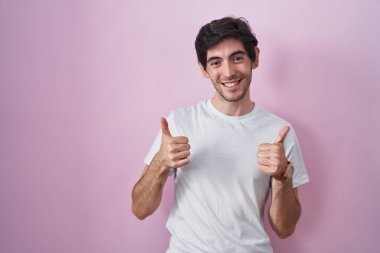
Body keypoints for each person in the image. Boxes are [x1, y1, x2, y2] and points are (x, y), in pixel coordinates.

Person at [131, 16, 309, 253]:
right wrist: (160, 163)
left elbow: (285, 229)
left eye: (237, 58)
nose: (228, 72)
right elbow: (140, 210)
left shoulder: (280, 132)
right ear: (203, 69)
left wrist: (282, 177)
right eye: (215, 62)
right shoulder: (179, 122)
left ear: (255, 57)